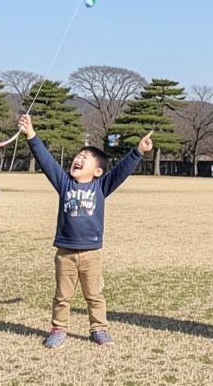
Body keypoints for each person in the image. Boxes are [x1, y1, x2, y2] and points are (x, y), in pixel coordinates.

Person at [20, 114, 152, 348]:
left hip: (91, 253)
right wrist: (31, 134)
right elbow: (46, 160)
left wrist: (138, 151)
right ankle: (59, 329)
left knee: (94, 295)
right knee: (62, 296)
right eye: (77, 156)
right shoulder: (64, 183)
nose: (78, 159)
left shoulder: (101, 185)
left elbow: (121, 170)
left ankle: (98, 329)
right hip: (65, 253)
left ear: (98, 172)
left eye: (85, 158)